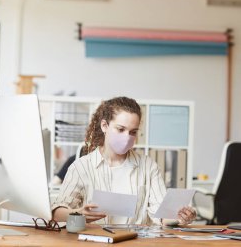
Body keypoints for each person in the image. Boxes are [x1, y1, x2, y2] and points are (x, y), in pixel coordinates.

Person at [52, 96, 196, 225]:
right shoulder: (81, 167)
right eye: (120, 129)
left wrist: (180, 218)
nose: (127, 137)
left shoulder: (147, 166)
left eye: (133, 132)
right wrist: (78, 214)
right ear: (104, 126)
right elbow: (57, 213)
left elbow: (161, 216)